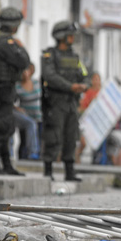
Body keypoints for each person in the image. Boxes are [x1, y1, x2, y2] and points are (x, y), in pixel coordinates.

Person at [0, 7, 30, 175]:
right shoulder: (5, 43)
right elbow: (23, 61)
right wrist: (20, 46)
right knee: (0, 127)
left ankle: (6, 165)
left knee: (5, 127)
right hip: (3, 90)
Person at [41, 20, 87, 181]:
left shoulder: (74, 57)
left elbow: (84, 73)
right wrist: (70, 86)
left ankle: (70, 171)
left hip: (71, 103)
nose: (72, 38)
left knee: (71, 137)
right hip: (56, 102)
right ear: (61, 36)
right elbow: (50, 76)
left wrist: (83, 85)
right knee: (53, 136)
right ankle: (48, 170)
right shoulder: (50, 55)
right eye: (70, 35)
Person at [15, 64, 42, 159]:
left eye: (26, 70)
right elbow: (11, 101)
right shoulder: (17, 86)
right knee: (24, 140)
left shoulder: (37, 83)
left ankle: (36, 155)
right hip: (25, 116)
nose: (25, 73)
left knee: (38, 138)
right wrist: (17, 108)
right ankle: (24, 157)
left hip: (38, 115)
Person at [75, 72, 101, 164]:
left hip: (98, 122)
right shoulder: (88, 92)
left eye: (97, 79)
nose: (96, 81)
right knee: (83, 143)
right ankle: (76, 156)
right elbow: (82, 106)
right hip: (86, 121)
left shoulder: (102, 93)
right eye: (94, 79)